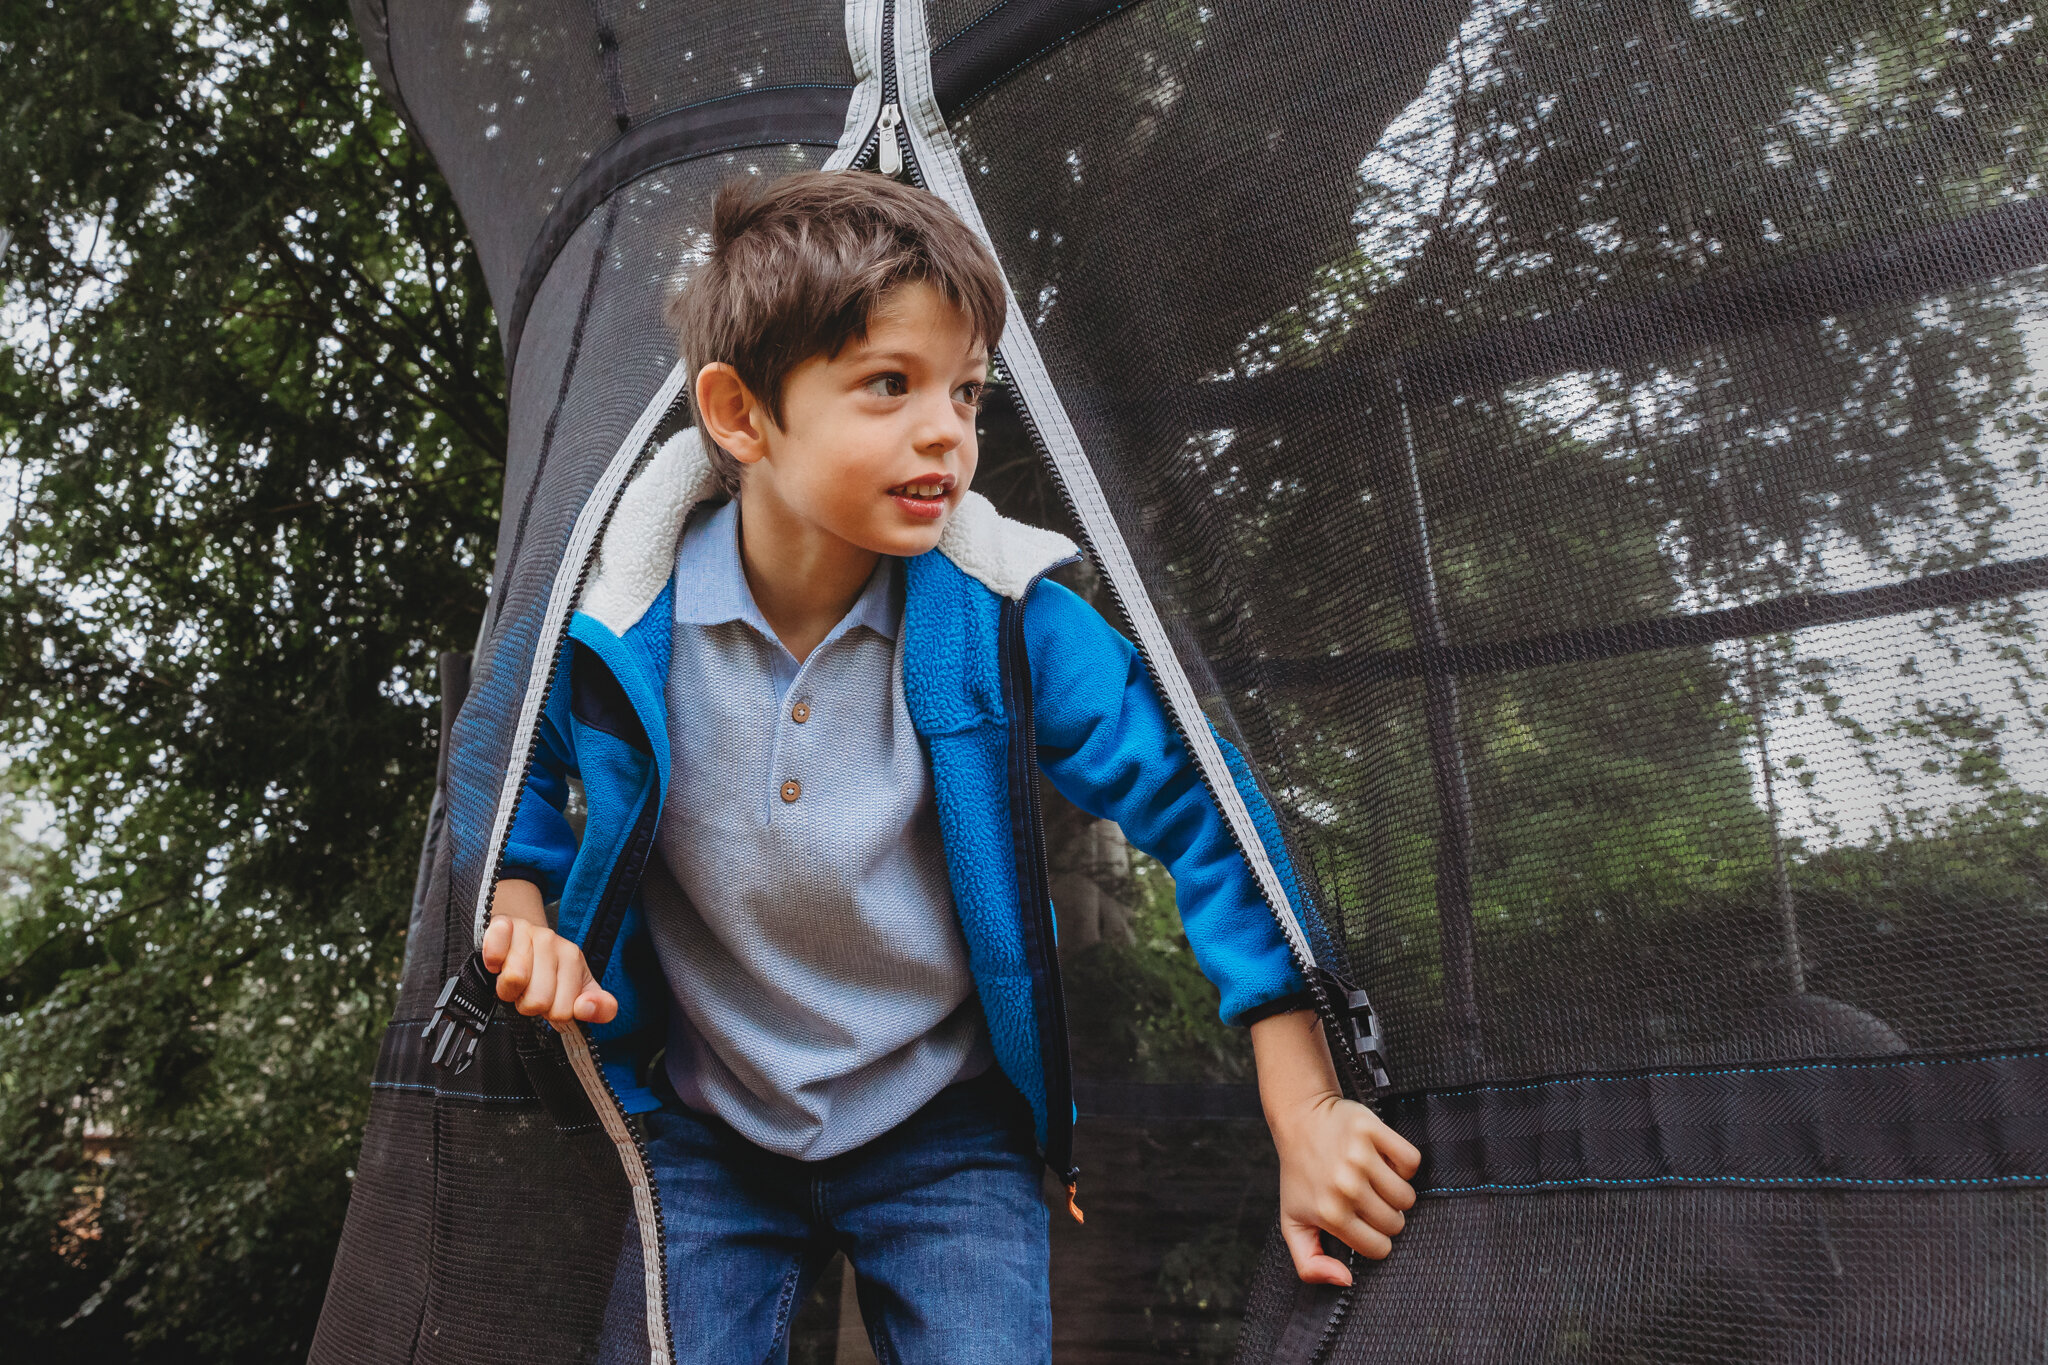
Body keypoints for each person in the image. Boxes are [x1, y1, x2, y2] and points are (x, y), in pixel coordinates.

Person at [481, 169, 1418, 1363]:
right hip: (708, 1130)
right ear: (739, 414)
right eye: (890, 384)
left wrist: (1309, 1107)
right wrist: (522, 907)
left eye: (967, 392)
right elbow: (497, 760)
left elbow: (1199, 805)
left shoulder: (1000, 616)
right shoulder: (619, 617)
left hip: (943, 1124)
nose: (948, 433)